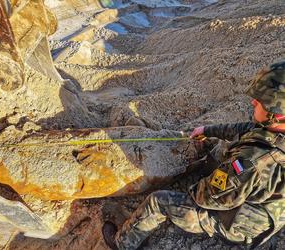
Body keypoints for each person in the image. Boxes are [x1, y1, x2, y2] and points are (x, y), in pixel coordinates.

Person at [102, 59, 285, 250]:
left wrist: (194, 188)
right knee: (219, 151)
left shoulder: (251, 161)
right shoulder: (274, 129)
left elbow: (208, 197)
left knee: (157, 202)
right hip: (267, 205)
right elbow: (247, 129)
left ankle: (123, 243)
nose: (253, 101)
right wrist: (207, 130)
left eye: (263, 101)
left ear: (278, 114)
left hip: (240, 227)